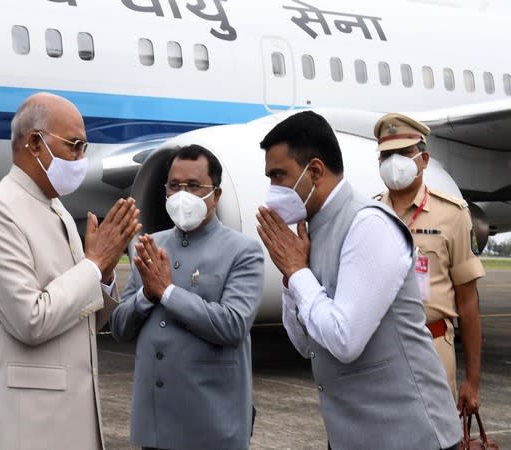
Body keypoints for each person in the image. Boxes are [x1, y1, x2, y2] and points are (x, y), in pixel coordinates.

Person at [256, 111, 461, 450]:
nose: (273, 189)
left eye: (279, 175)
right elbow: (307, 345)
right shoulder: (313, 232)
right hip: (354, 437)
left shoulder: (368, 225)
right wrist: (291, 279)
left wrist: (297, 273)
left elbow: (344, 339)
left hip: (410, 437)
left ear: (316, 171)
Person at [0, 92, 141, 450]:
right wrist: (92, 265)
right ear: (34, 143)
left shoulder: (55, 208)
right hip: (25, 424)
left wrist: (104, 274)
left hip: (68, 419)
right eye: (75, 146)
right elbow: (31, 320)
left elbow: (84, 318)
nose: (81, 158)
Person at [112, 145, 264, 450]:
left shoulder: (242, 251)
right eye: (174, 186)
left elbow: (233, 325)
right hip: (154, 425)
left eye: (194, 186)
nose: (183, 194)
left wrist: (168, 292)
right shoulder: (149, 245)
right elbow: (119, 326)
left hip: (210, 425)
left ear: (216, 195)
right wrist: (146, 294)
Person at [374, 112, 485, 413]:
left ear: (423, 158)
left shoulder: (452, 214)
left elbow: (467, 302)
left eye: (404, 153)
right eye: (386, 155)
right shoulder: (370, 215)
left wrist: (472, 381)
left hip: (432, 346)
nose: (394, 161)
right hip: (378, 351)